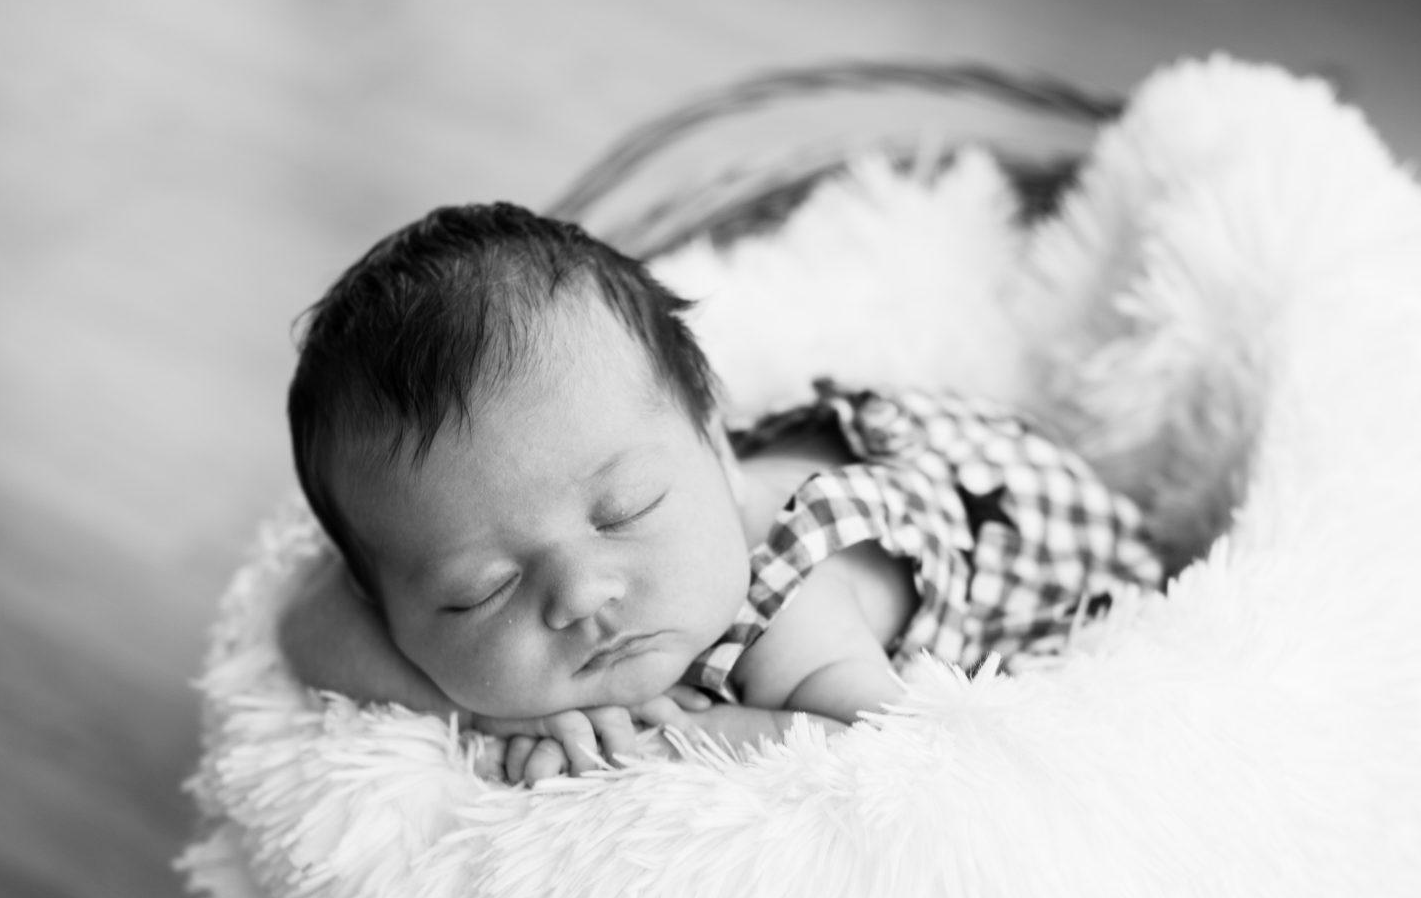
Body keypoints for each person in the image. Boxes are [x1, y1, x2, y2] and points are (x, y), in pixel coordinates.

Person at [281, 202, 1161, 783]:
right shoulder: (606, 509)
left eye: (623, 511)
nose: (581, 594)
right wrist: (483, 706)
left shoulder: (790, 605)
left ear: (715, 441)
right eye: (484, 589)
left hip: (1028, 532)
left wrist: (652, 740)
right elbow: (306, 627)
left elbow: (894, 756)